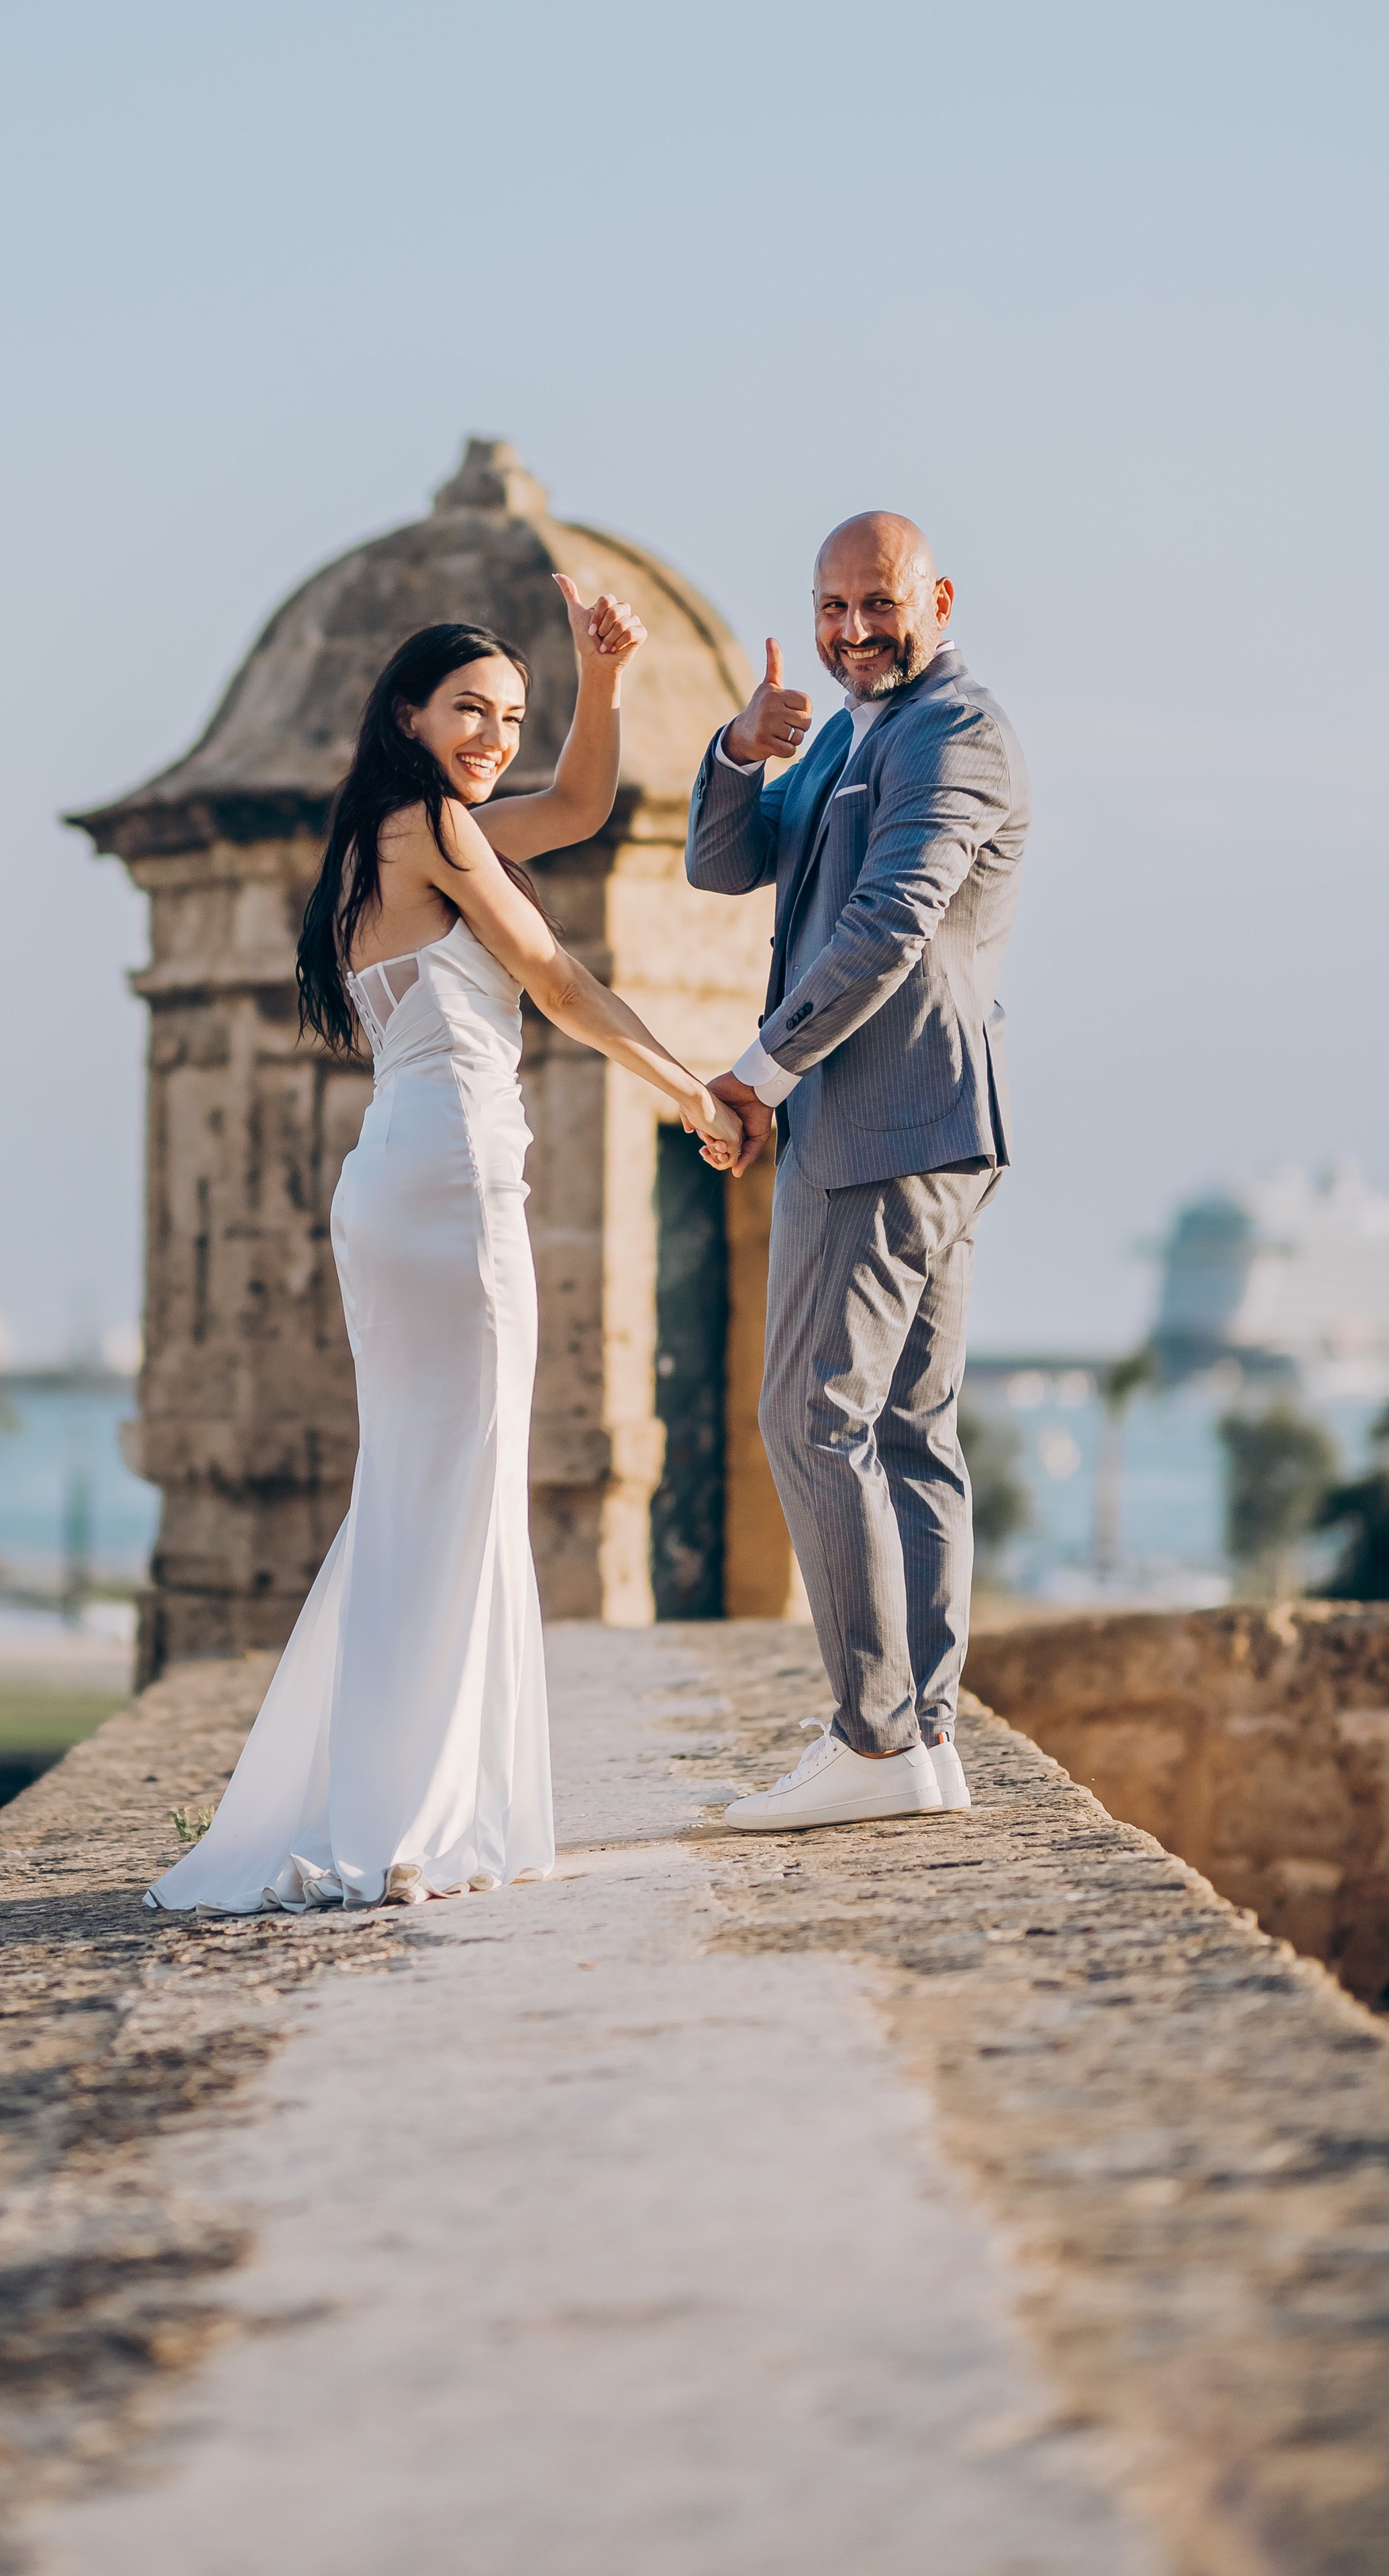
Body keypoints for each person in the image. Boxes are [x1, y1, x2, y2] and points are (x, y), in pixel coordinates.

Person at [146, 583, 742, 1913]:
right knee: (454, 1486)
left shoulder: (401, 830)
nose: (491, 733)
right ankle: (408, 1815)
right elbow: (556, 979)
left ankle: (394, 1800)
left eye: (509, 716)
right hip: (451, 1184)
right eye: (469, 708)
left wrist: (604, 681)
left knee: (424, 1487)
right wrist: (692, 1089)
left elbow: (581, 811)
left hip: (406, 1178)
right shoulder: (421, 824)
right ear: (403, 712)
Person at [688, 512, 1029, 1831]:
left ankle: (874, 1742)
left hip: (881, 1128)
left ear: (935, 598)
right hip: (917, 1129)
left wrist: (755, 1074)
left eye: (875, 601)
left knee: (807, 1417)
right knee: (904, 1431)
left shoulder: (955, 730)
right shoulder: (845, 730)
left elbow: (891, 920)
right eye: (830, 606)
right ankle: (921, 1739)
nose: (850, 629)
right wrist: (739, 750)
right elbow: (723, 864)